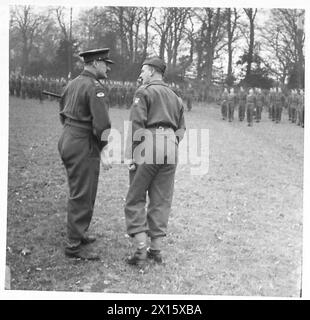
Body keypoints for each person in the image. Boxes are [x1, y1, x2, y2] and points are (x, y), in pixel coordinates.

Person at [124, 56, 186, 266]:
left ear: (151, 71)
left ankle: (141, 249)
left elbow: (137, 124)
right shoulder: (175, 96)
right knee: (162, 198)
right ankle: (156, 250)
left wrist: (134, 155)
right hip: (171, 145)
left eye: (143, 71)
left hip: (149, 142)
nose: (140, 75)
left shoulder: (144, 92)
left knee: (136, 195)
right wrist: (171, 142)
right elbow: (181, 128)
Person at [58, 48, 114, 260]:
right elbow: (102, 124)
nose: (108, 67)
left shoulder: (72, 83)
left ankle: (79, 233)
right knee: (82, 191)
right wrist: (104, 148)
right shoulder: (95, 88)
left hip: (68, 137)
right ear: (96, 63)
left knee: (81, 188)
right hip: (82, 142)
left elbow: (62, 110)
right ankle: (73, 245)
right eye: (105, 63)